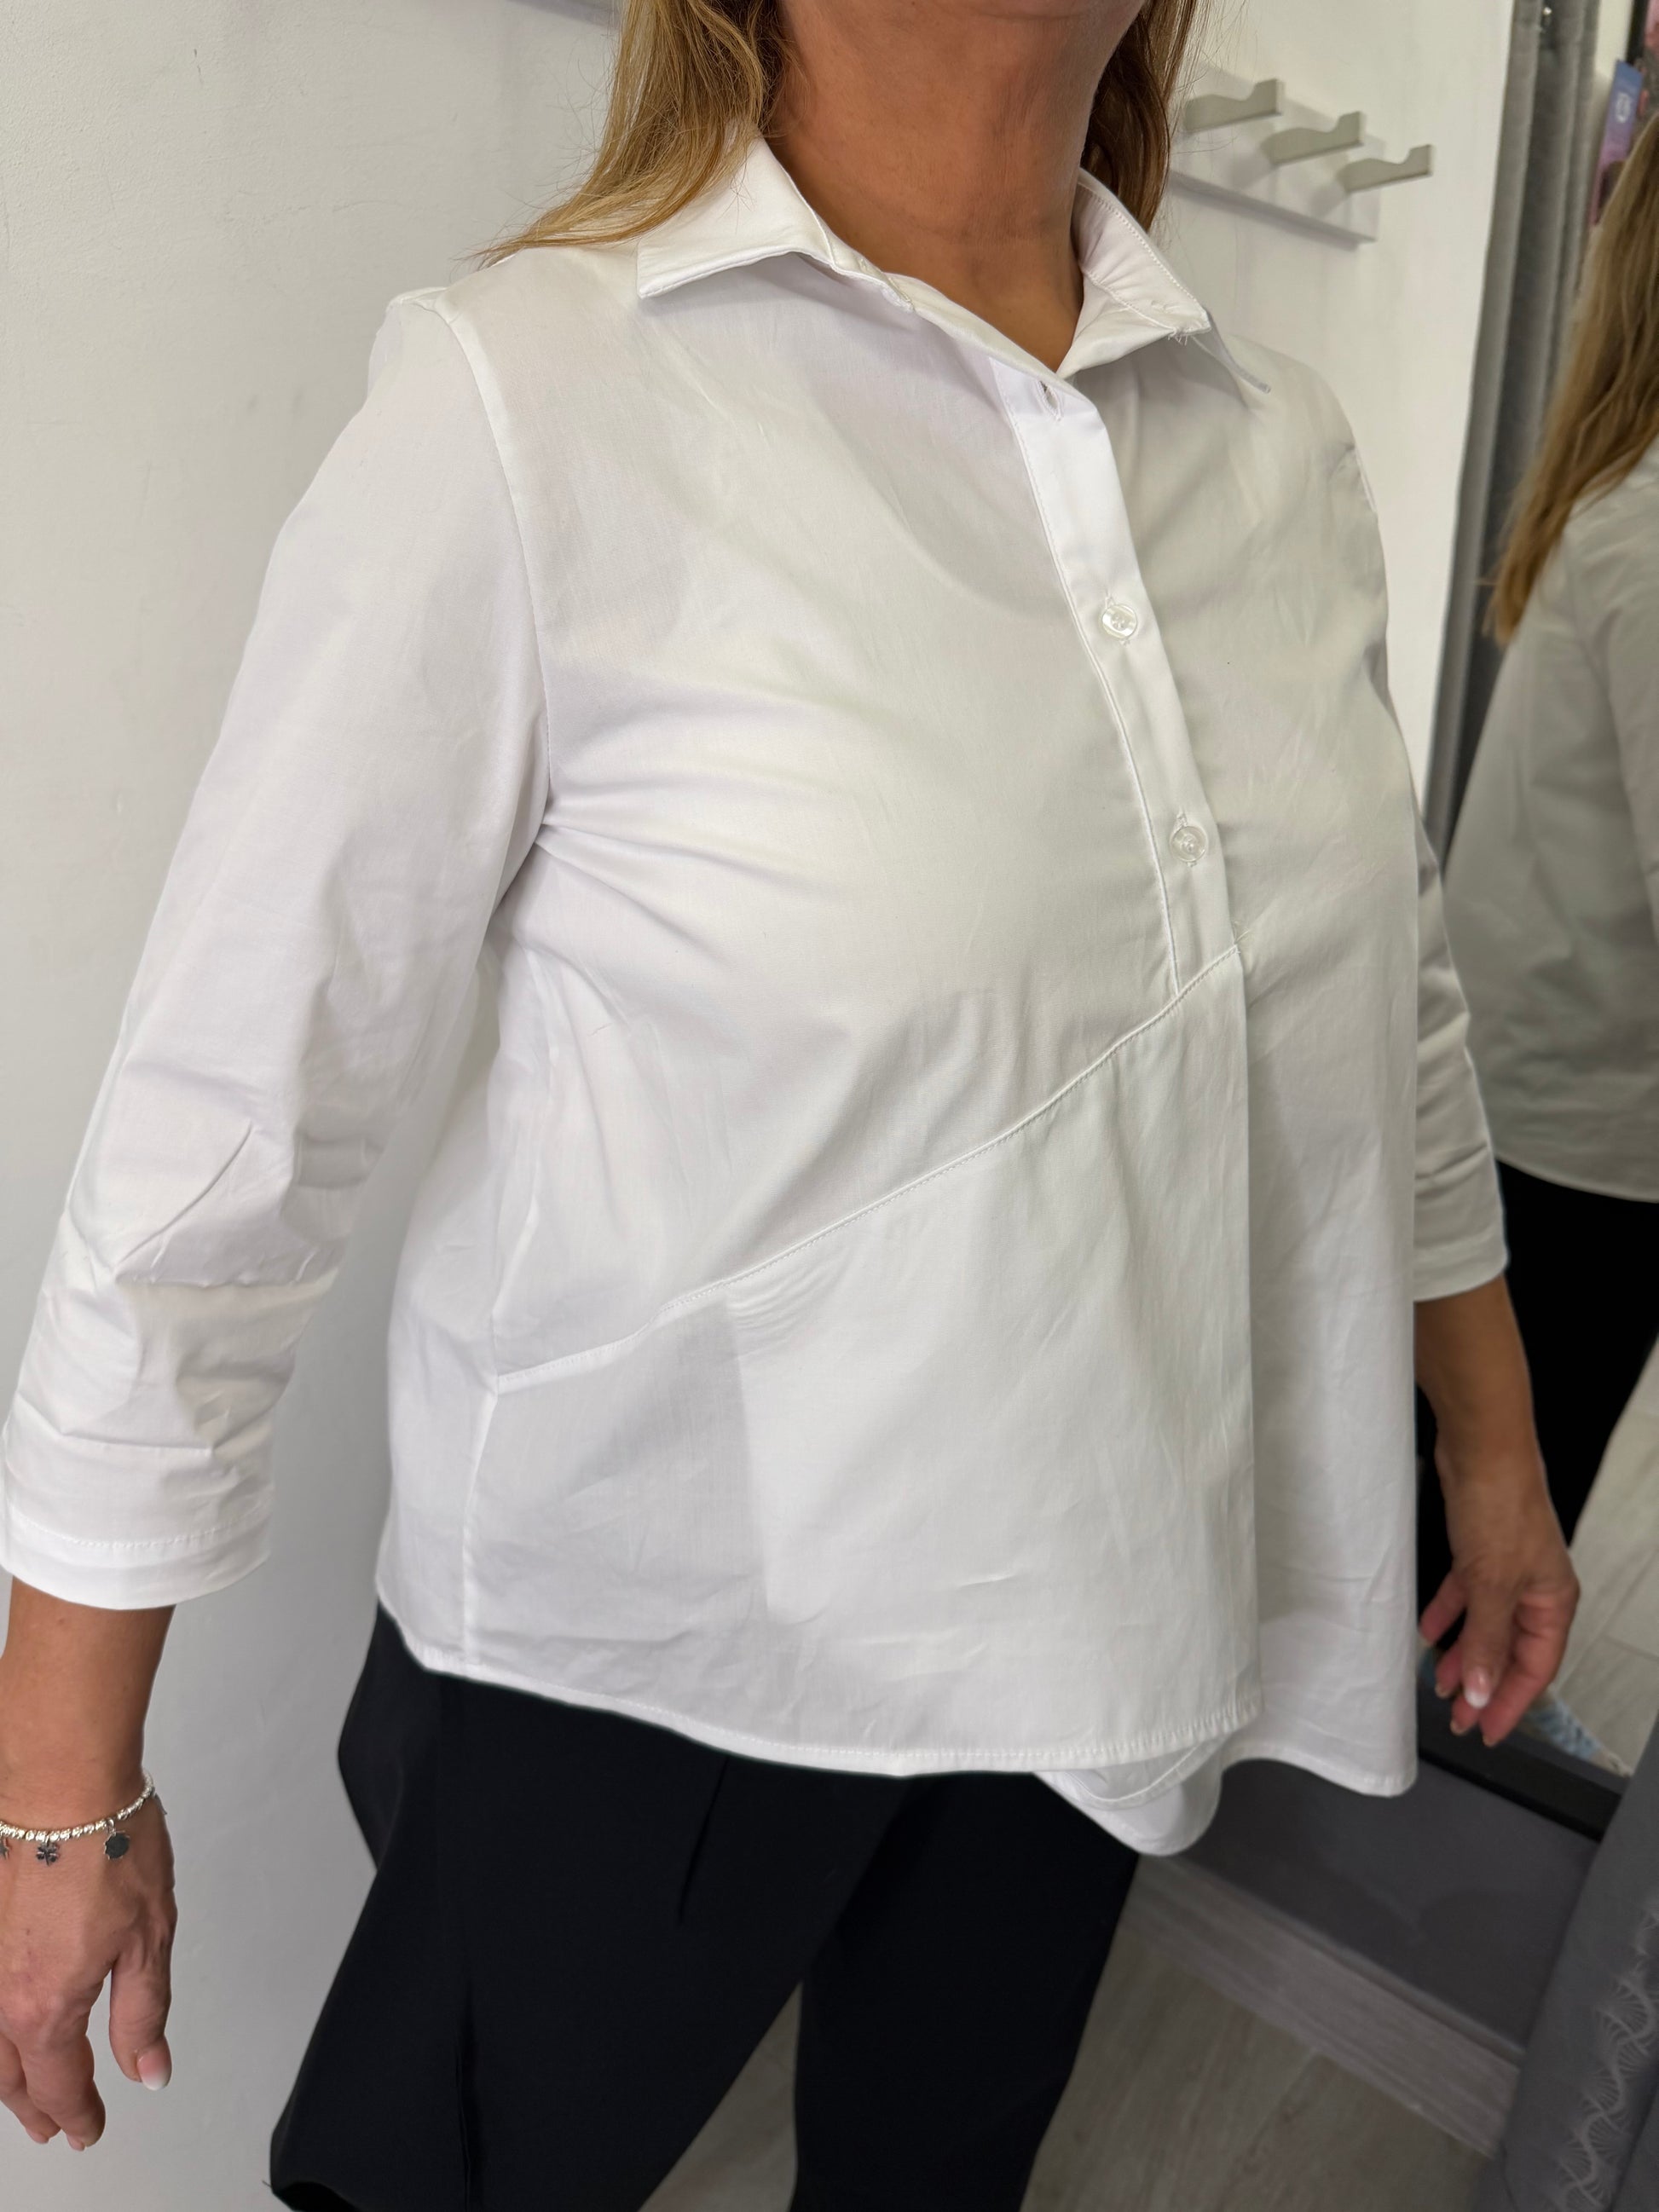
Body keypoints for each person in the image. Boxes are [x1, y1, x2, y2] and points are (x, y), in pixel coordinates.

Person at [0, 3, 1578, 2205]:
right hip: (643, 1639)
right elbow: (234, 1110)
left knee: (939, 2171)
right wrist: (57, 1788)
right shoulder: (533, 389)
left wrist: (1490, 1447)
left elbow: (1380, 1003)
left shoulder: (1269, 442)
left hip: (1106, 1594)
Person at [1425, 117, 1659, 1773]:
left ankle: (1444, 1704)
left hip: (1556, 1103)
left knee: (1503, 1452)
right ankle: (1448, 1732)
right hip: (1569, 1126)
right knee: (1505, 1460)